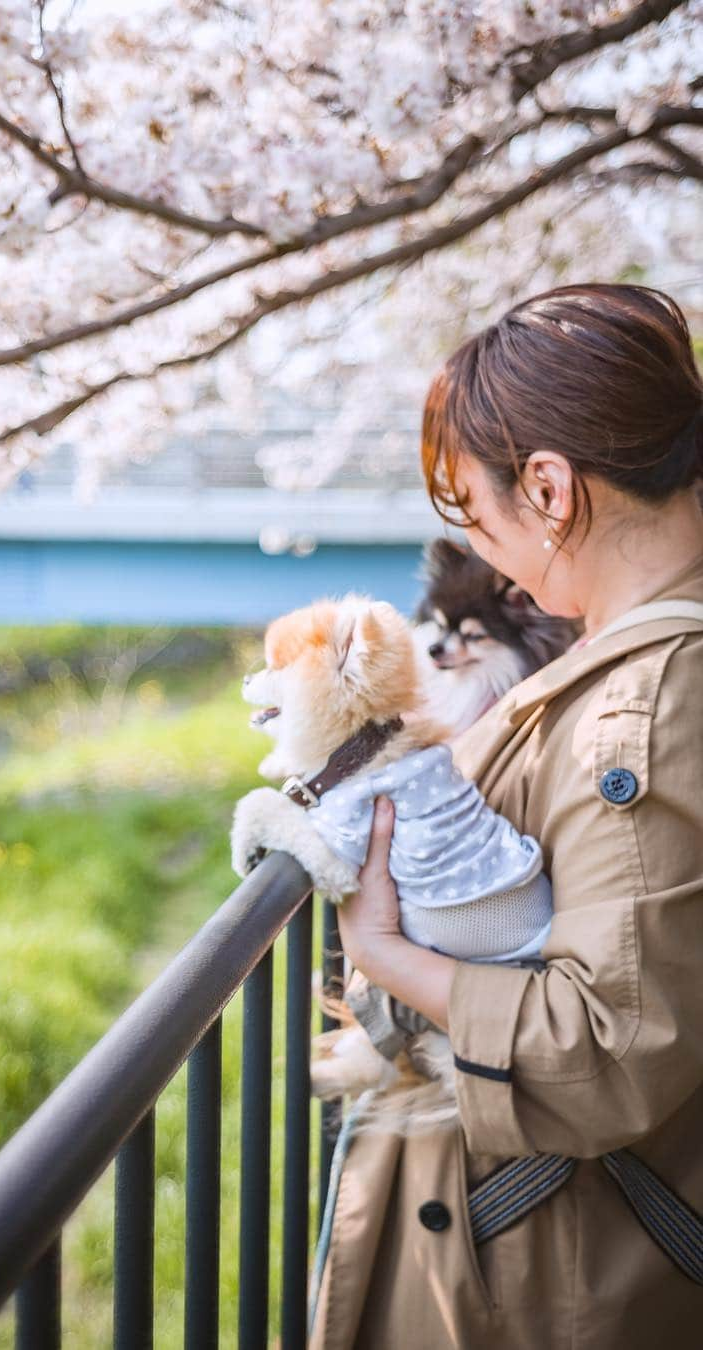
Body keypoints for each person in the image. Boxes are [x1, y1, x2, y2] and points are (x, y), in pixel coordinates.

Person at [309, 283, 703, 1348]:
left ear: (550, 487)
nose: (485, 549)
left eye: (476, 514)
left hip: (551, 1275)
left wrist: (385, 954)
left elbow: (608, 1049)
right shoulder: (627, 662)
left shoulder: (645, 705)